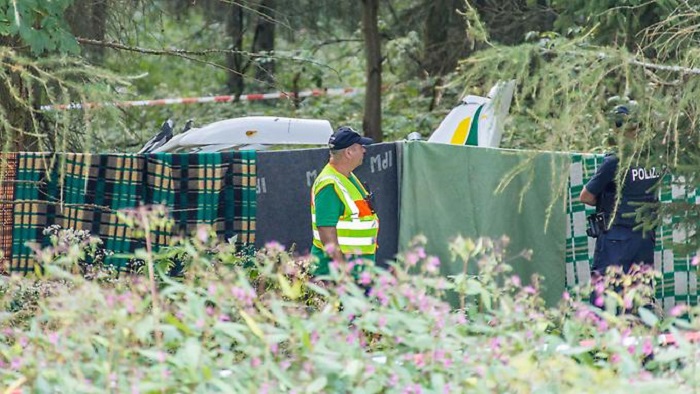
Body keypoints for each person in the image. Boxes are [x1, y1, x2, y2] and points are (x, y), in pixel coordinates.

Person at [579, 105, 661, 275]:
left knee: (607, 293)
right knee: (640, 290)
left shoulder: (615, 161)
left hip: (616, 238)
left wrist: (604, 200)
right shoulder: (653, 157)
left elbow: (585, 197)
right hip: (645, 237)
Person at [310, 126, 379, 275]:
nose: (364, 151)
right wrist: (342, 271)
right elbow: (325, 229)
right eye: (361, 147)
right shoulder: (329, 184)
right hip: (335, 276)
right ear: (349, 152)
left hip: (357, 272)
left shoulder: (347, 176)